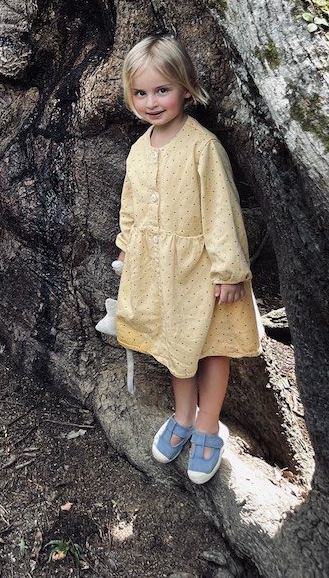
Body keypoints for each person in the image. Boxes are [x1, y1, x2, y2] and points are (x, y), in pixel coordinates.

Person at [115, 35, 260, 484]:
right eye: (141, 93)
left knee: (212, 346)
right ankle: (183, 415)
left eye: (162, 90)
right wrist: (126, 245)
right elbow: (132, 204)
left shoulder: (203, 147)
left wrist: (229, 270)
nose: (152, 102)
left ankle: (208, 426)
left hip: (203, 272)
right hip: (161, 272)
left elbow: (222, 210)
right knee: (178, 347)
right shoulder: (140, 149)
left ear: (186, 88)